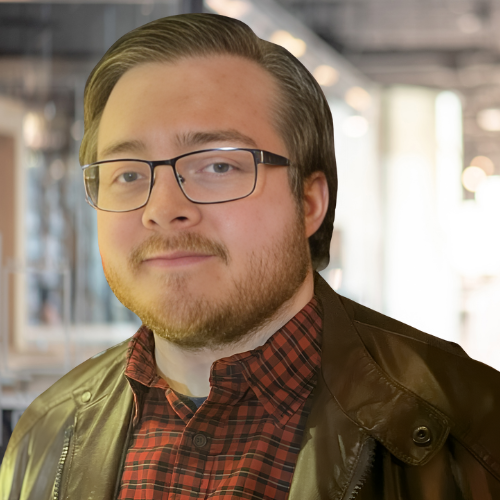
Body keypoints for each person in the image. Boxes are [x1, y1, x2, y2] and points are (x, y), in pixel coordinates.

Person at [1, 13, 499, 500]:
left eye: (218, 166)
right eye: (128, 174)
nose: (163, 209)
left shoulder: (475, 432)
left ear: (309, 203)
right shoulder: (46, 435)